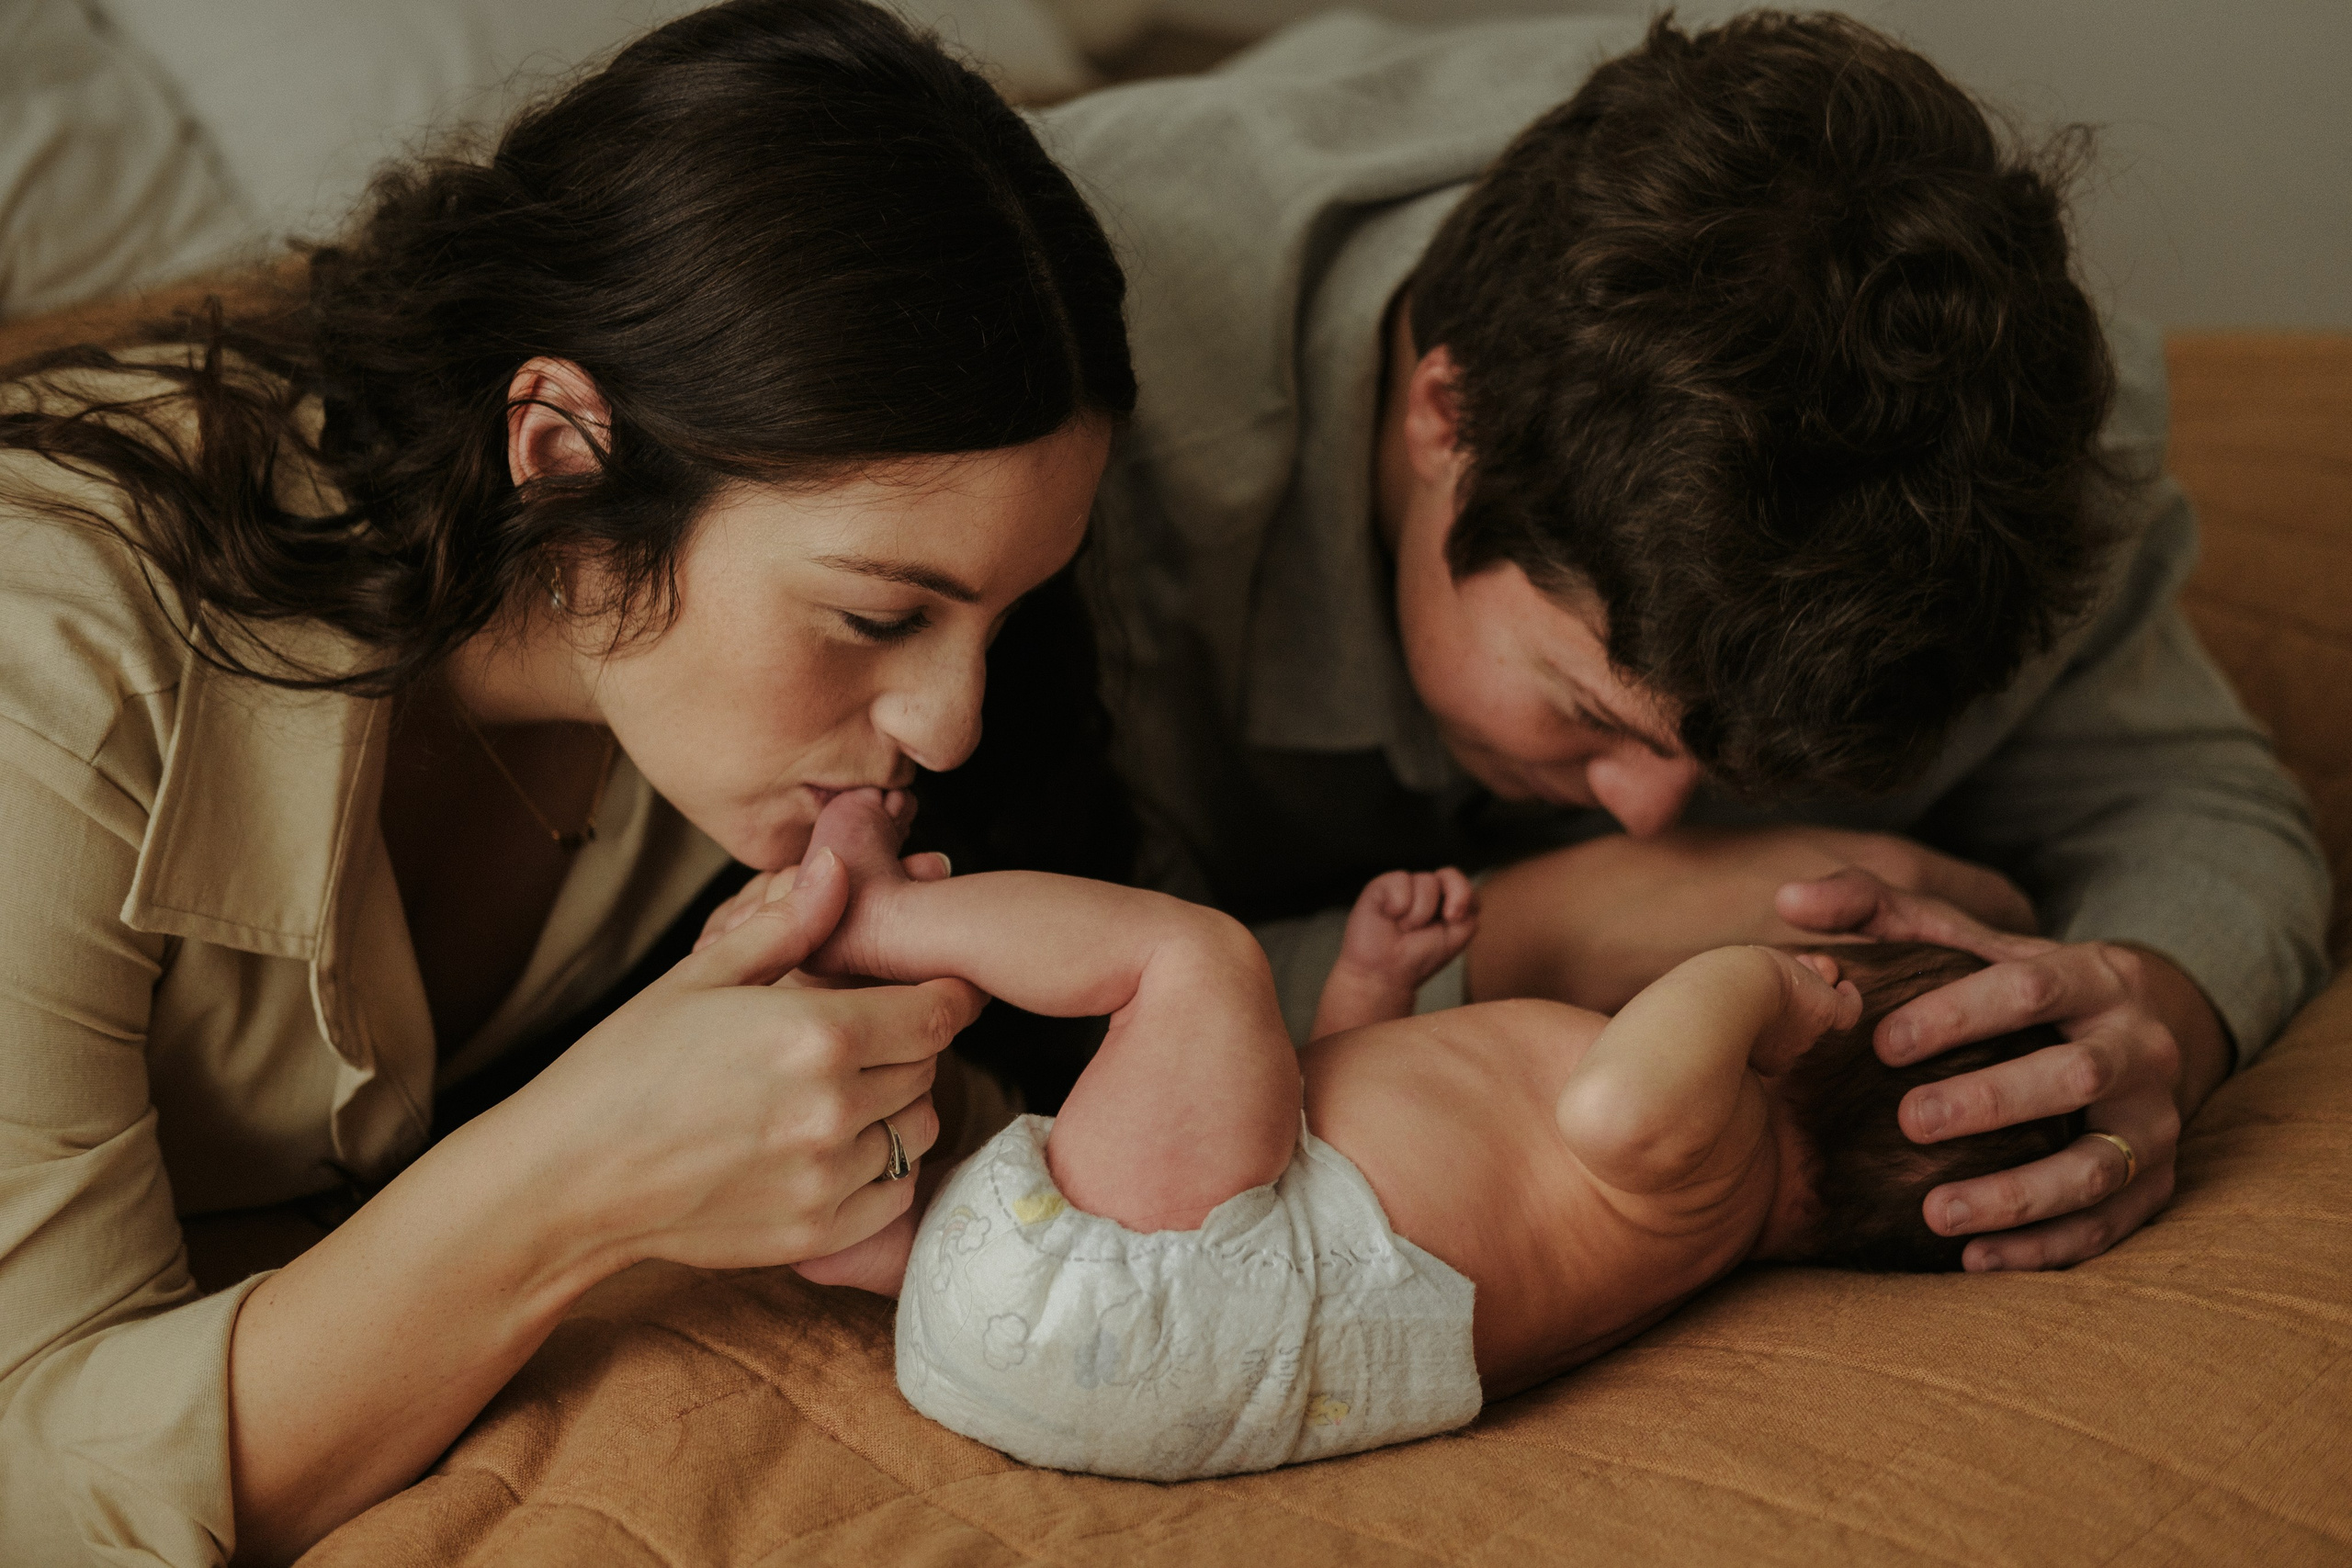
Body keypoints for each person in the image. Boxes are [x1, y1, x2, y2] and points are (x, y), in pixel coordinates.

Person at [0, 2, 1134, 1561]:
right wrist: (576, 1180)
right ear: (561, 458)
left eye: (1003, 615)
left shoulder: (734, 728)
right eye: (881, 615)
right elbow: (36, 1486)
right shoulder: (50, 676)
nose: (948, 725)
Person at [1032, 10, 2329, 1274]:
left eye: (1734, 774)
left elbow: (2206, 812)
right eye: (1590, 713)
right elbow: (997, 1004)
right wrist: (1539, 933)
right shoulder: (1052, 438)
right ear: (1449, 416)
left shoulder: (1996, 479)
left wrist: (2144, 1013)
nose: (1655, 820)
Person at [769, 788, 2080, 1481]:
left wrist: (1763, 981)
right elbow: (1341, 1141)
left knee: (1196, 963)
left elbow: (1621, 1095)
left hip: (1163, 1290)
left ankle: (876, 917)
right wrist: (1376, 987)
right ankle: (868, 1241)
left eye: (1834, 962)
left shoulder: (1714, 1155)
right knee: (1193, 1098)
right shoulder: (1651, 1221)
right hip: (1127, 1340)